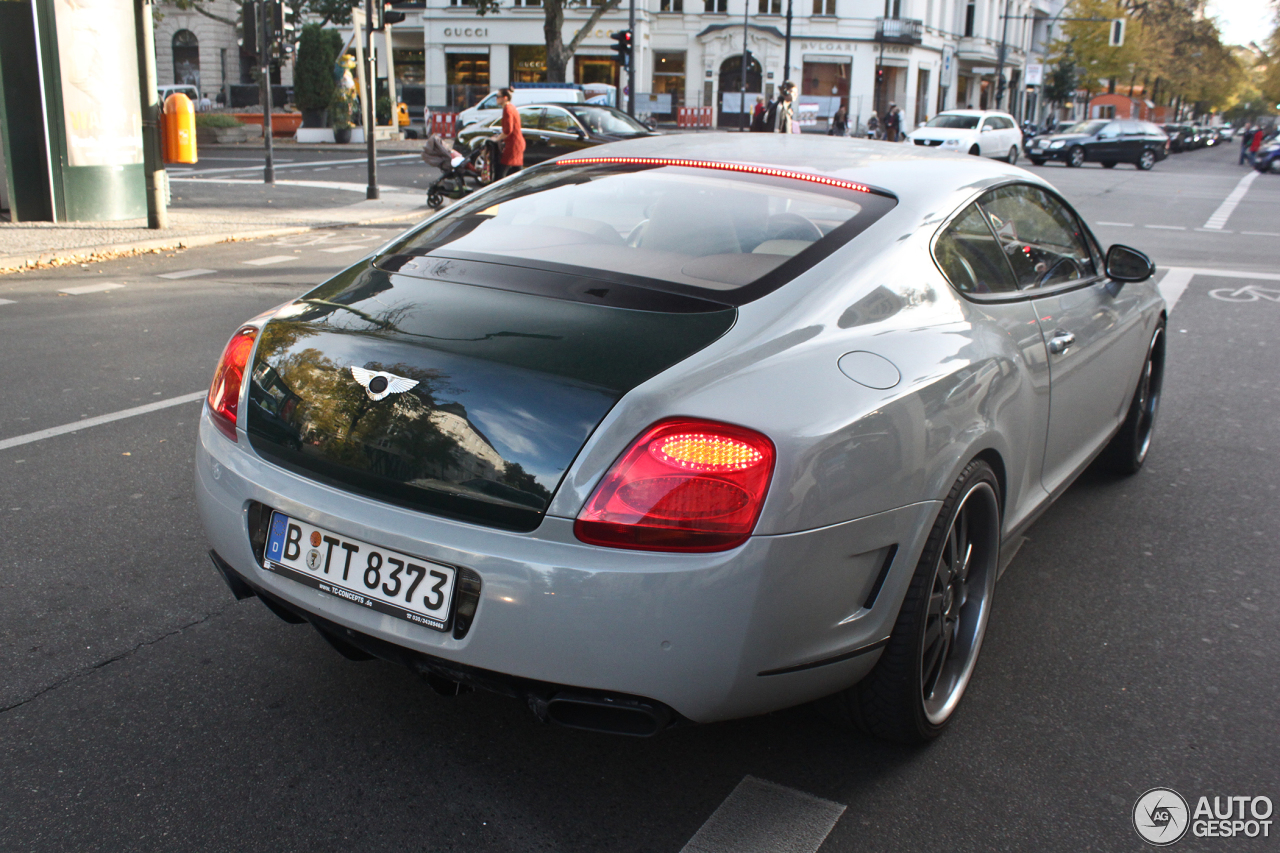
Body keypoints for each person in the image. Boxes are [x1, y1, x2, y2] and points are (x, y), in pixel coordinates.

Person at [492, 87, 525, 180]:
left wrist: (496, 139)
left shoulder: (507, 109)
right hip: (517, 143)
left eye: (498, 96)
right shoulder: (511, 107)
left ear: (505, 98)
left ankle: (498, 191)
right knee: (516, 171)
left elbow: (507, 130)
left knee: (501, 172)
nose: (496, 98)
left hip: (513, 144)